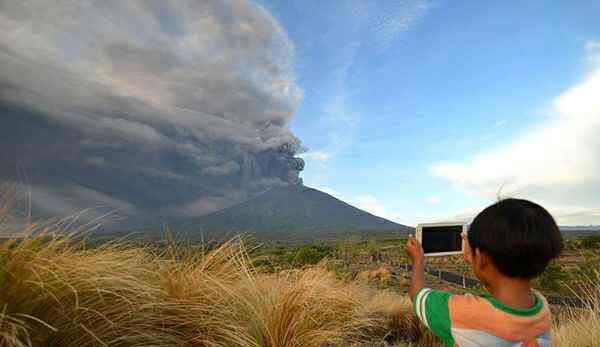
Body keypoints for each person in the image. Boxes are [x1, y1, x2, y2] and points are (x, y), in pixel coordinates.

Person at [404, 198, 563, 347]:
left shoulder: (462, 312)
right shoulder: (542, 308)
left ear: (480, 257)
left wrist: (418, 260)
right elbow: (503, 284)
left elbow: (417, 294)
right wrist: (478, 260)